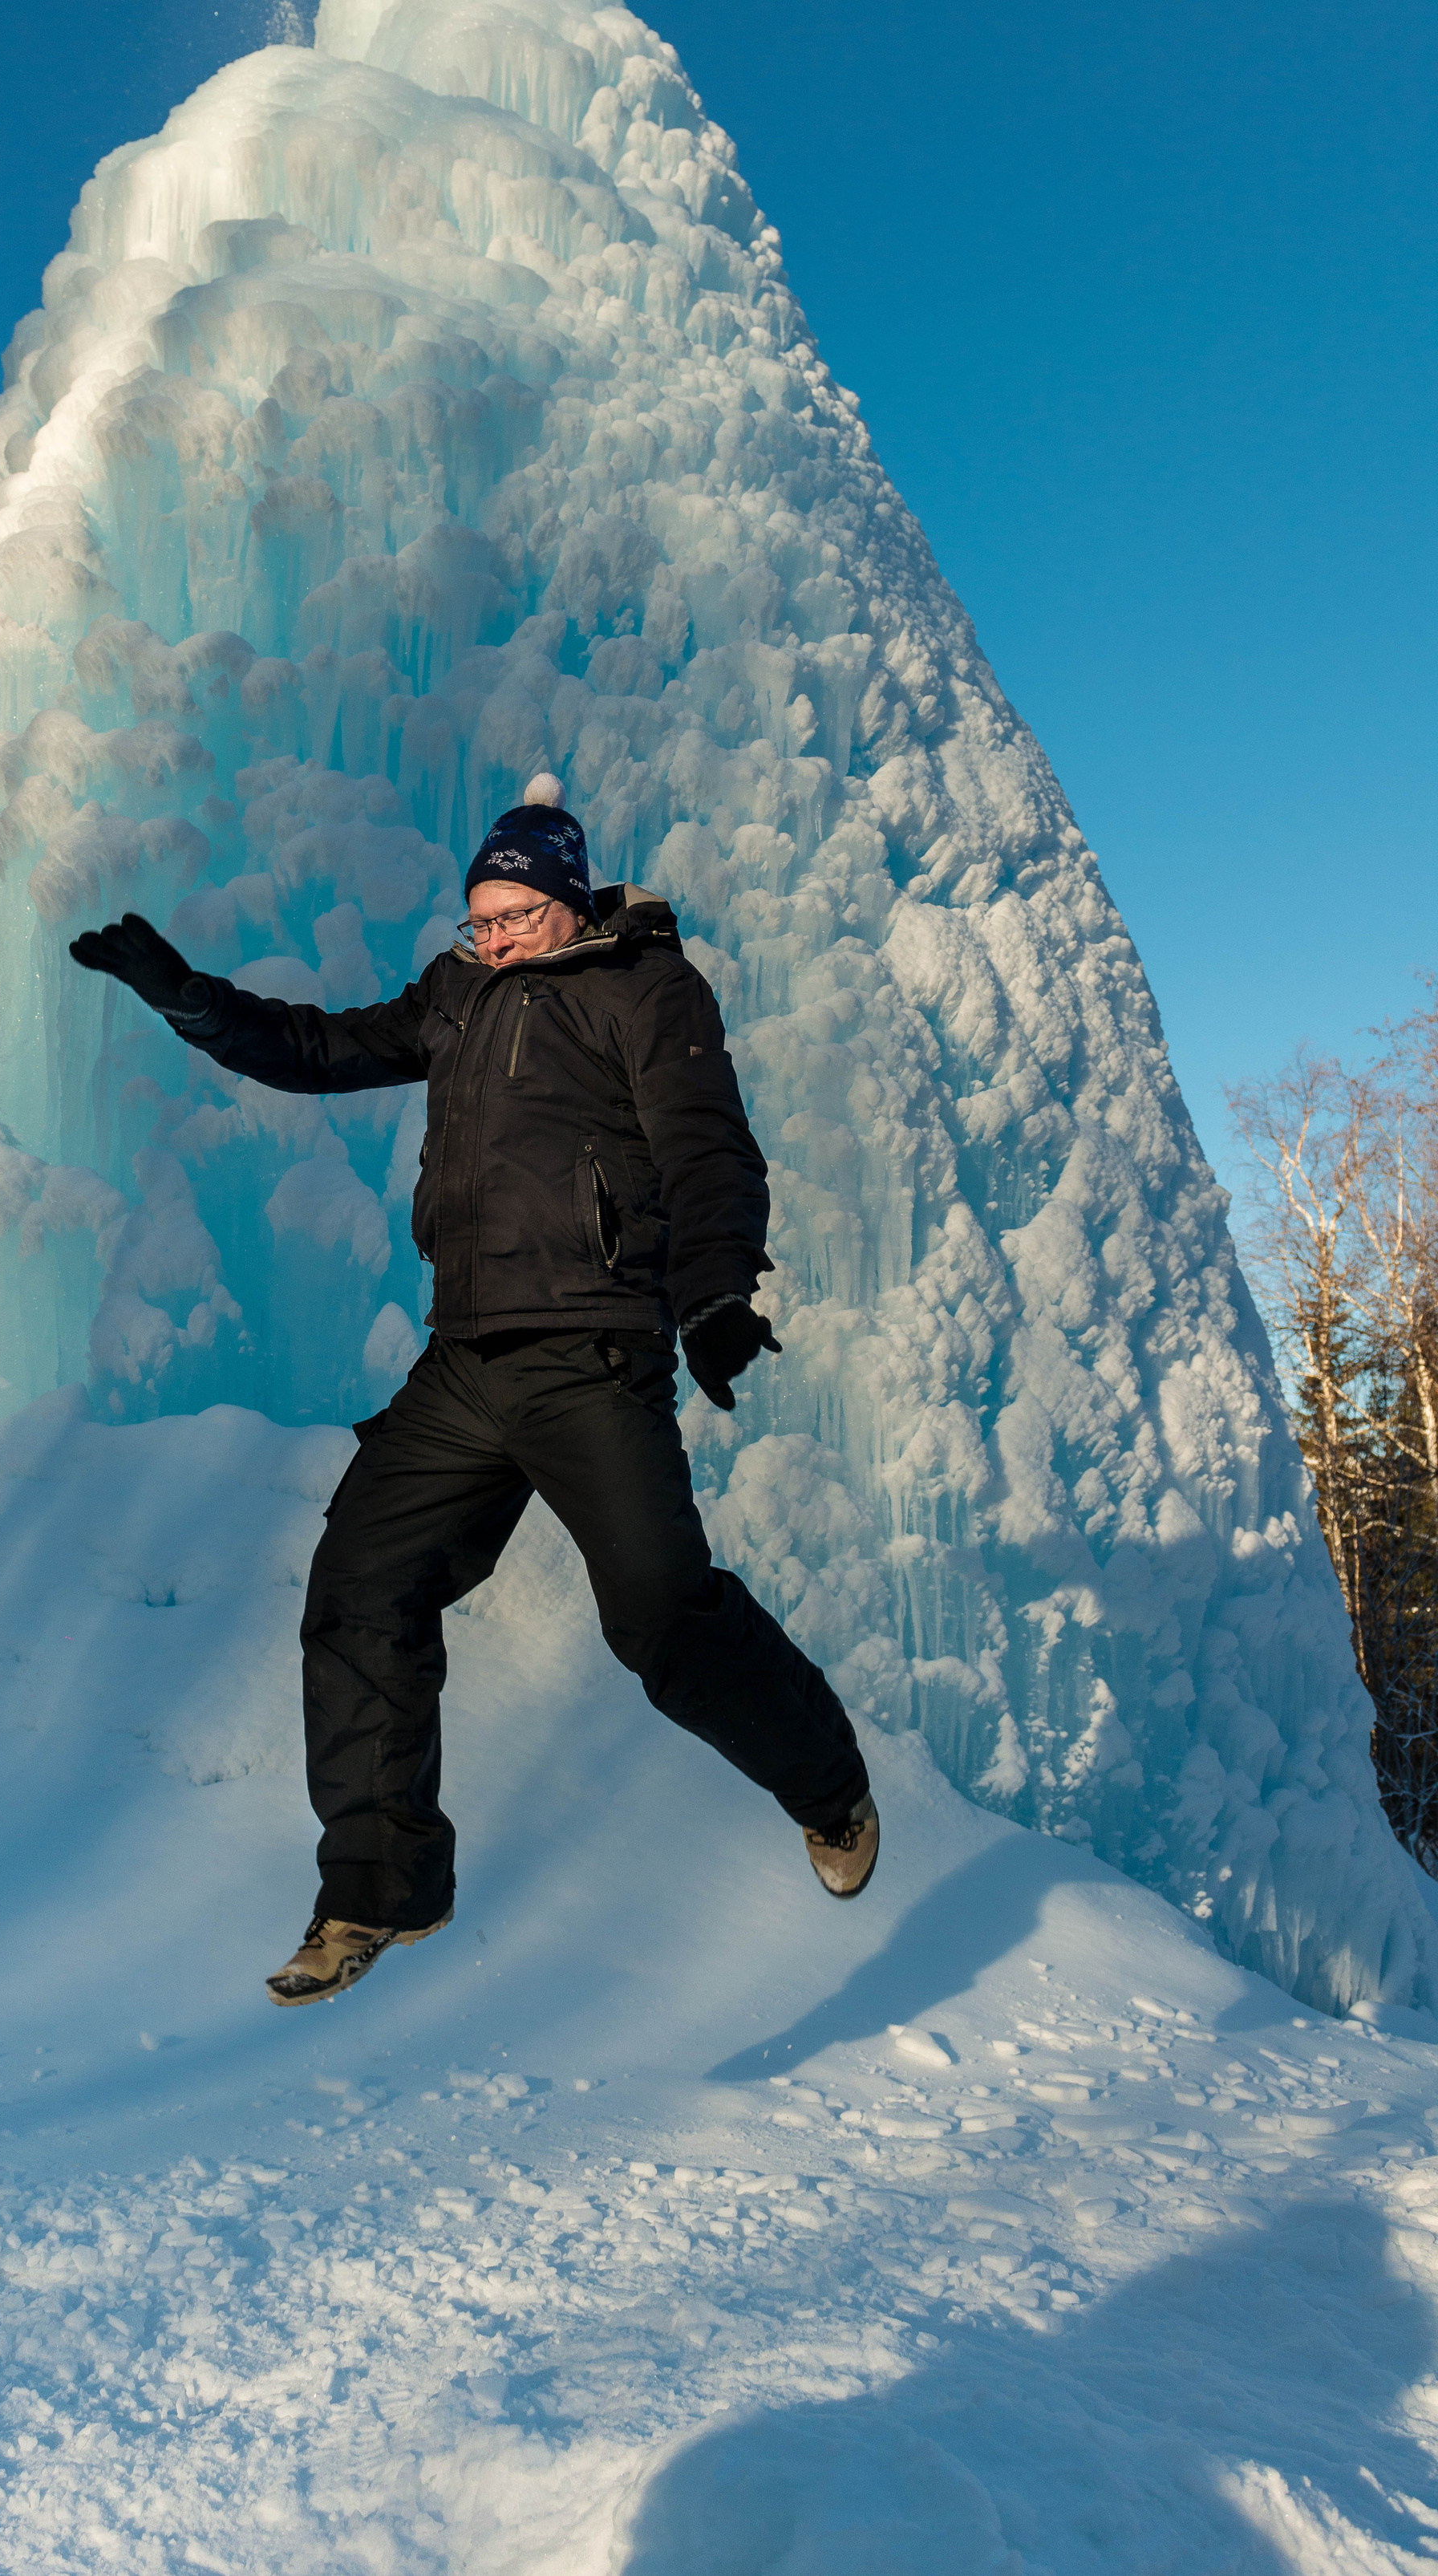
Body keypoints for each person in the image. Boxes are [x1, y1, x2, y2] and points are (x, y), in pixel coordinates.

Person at [70, 776, 877, 2010]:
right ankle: (377, 1893)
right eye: (477, 921)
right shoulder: (455, 998)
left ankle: (827, 1784)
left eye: (512, 918)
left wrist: (714, 1294)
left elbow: (707, 1149)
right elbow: (319, 1049)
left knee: (661, 1621)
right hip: (462, 1362)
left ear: (567, 901)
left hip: (594, 1353)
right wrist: (190, 1000)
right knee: (357, 1592)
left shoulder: (648, 989)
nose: (490, 940)